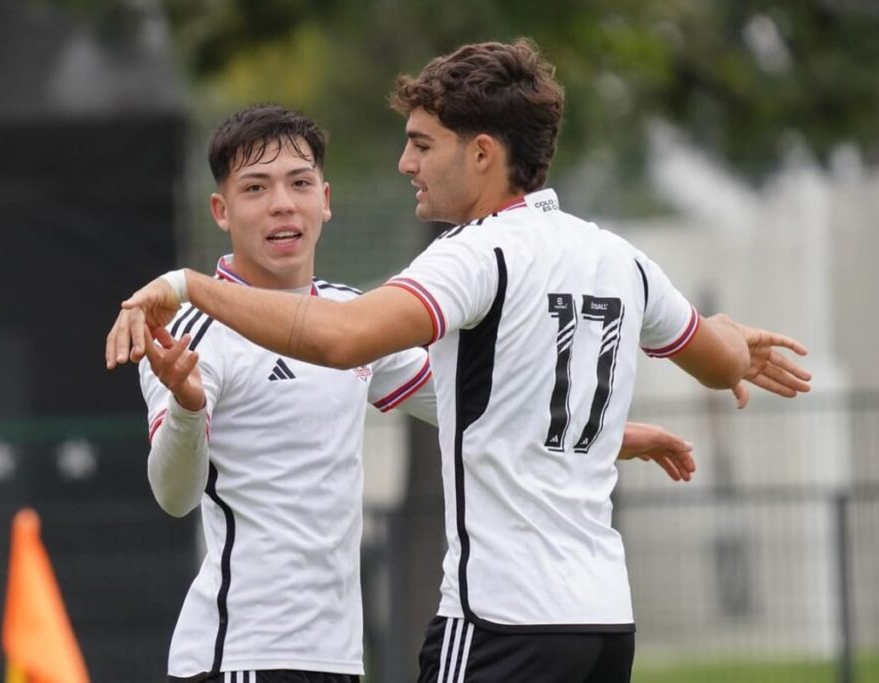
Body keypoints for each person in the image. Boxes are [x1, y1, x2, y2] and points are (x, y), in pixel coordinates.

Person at [120, 104, 700, 683]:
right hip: (240, 658)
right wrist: (189, 408)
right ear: (221, 210)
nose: (281, 204)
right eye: (255, 188)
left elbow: (465, 405)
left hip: (338, 659)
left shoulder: (349, 318)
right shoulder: (189, 329)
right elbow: (175, 495)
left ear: (325, 199)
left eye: (299, 183)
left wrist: (608, 436)